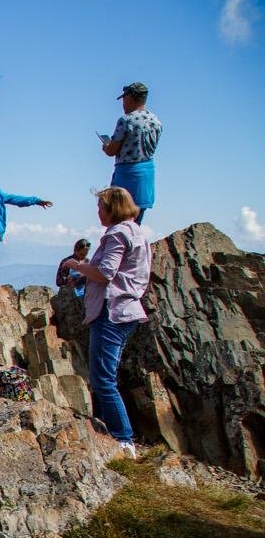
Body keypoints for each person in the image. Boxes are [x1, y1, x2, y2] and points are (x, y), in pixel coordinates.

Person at [59, 187, 152, 457]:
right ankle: (118, 435)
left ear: (112, 209)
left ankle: (123, 440)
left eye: (101, 207)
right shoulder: (137, 232)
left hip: (111, 312)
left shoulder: (118, 234)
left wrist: (74, 265)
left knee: (102, 380)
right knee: (106, 376)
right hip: (127, 310)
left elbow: (105, 272)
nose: (98, 211)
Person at [102, 82, 161, 224]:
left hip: (126, 174)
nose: (123, 103)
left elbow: (111, 151)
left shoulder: (126, 120)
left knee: (118, 220)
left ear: (130, 97)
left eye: (124, 98)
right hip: (146, 175)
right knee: (136, 223)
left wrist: (105, 146)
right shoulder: (156, 121)